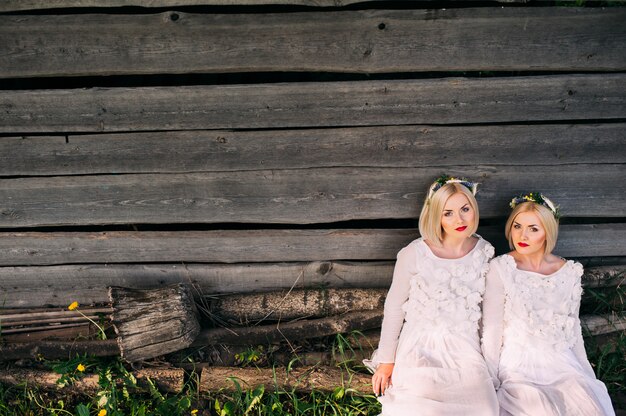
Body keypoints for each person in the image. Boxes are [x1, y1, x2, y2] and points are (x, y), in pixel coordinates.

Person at [364, 175, 499, 416]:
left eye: (465, 209)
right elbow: (394, 308)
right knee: (420, 405)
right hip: (421, 344)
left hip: (465, 345)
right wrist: (386, 360)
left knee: (484, 407)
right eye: (448, 213)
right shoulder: (415, 253)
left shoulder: (485, 253)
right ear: (436, 215)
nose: (459, 219)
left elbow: (487, 315)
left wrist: (491, 362)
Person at [481, 192, 615, 416]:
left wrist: (587, 375)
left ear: (547, 232)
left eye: (533, 228)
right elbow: (492, 329)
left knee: (587, 402)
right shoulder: (501, 268)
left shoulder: (569, 272)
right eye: (517, 226)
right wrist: (490, 378)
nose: (522, 235)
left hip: (560, 361)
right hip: (519, 364)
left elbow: (572, 329)